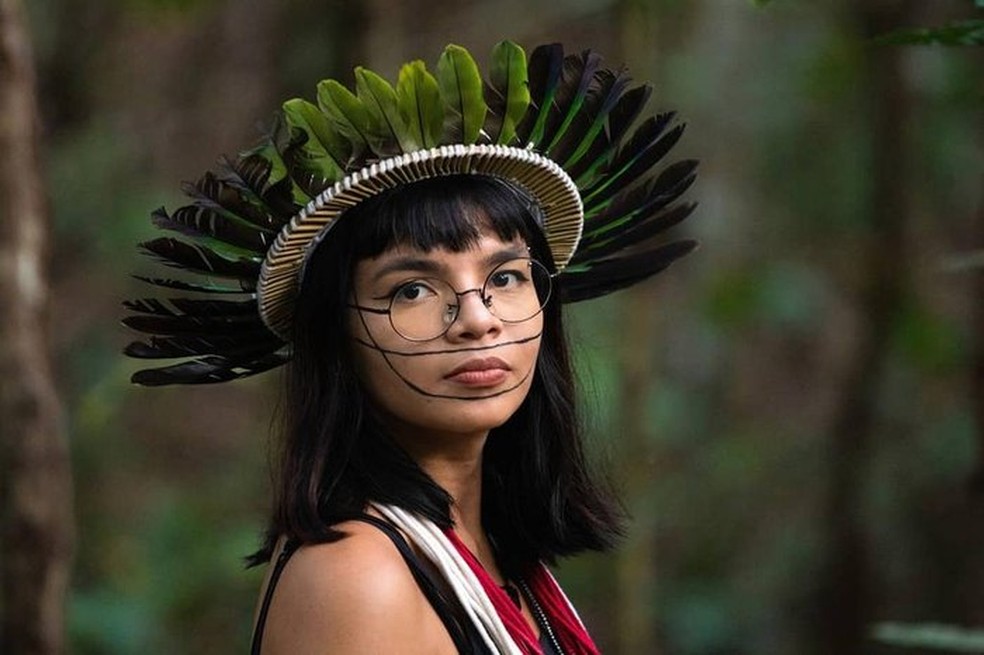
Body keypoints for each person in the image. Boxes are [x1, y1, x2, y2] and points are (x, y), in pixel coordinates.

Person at [124, 41, 698, 654]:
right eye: (413, 290)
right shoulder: (359, 578)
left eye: (505, 277)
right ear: (334, 333)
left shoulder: (503, 561)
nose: (477, 320)